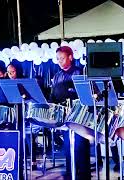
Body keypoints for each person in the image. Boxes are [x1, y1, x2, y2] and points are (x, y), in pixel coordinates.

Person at [50, 46, 91, 179]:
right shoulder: (57, 76)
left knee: (80, 148)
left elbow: (86, 96)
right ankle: (70, 174)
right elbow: (53, 97)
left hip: (79, 117)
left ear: (70, 57)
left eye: (62, 58)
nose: (59, 61)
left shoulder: (80, 73)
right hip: (65, 117)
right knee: (68, 148)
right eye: (57, 59)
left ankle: (84, 176)